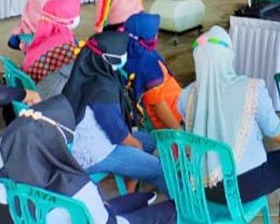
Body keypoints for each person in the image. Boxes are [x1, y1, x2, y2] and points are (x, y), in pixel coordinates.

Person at [179, 26, 280, 222]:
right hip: (240, 187)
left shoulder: (186, 96)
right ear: (227, 57)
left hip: (199, 187)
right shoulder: (251, 89)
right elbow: (273, 129)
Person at [0, 96, 177, 224]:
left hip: (70, 216)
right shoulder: (77, 186)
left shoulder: (6, 183)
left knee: (134, 200)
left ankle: (141, 199)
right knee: (171, 210)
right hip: (102, 219)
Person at [62, 32, 168, 194]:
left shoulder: (84, 70)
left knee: (151, 141)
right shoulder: (103, 88)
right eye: (120, 55)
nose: (124, 58)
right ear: (106, 58)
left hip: (80, 142)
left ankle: (130, 190)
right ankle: (186, 206)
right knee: (158, 169)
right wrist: (134, 145)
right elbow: (118, 133)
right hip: (95, 152)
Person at [123, 13, 183, 130]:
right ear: (145, 35)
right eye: (154, 32)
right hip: (171, 118)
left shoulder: (134, 52)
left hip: (173, 104)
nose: (157, 35)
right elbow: (158, 105)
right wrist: (179, 131)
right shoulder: (147, 64)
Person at [21, 0, 80, 99]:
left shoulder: (43, 35)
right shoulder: (64, 46)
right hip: (51, 100)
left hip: (37, 90)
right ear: (70, 22)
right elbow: (77, 75)